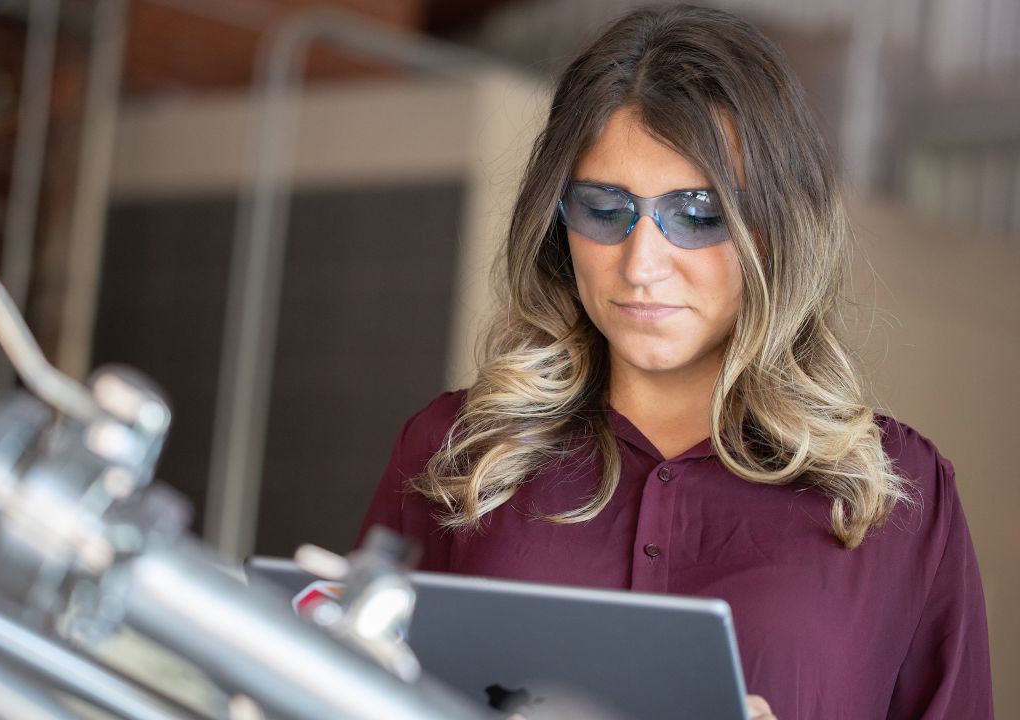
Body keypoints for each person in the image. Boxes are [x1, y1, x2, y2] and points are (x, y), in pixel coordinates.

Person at [356, 5, 992, 719]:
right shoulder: (455, 454)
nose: (642, 266)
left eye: (696, 214)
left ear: (777, 227)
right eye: (604, 209)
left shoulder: (899, 502)